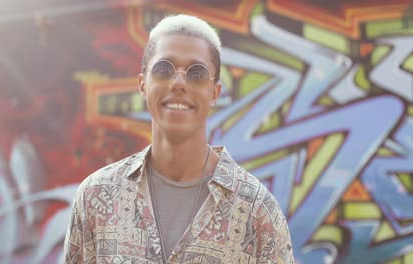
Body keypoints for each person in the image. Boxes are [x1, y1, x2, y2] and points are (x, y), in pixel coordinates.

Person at [63, 14, 294, 264]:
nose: (179, 83)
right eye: (164, 70)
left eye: (196, 73)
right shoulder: (96, 196)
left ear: (214, 92)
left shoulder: (256, 209)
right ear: (143, 84)